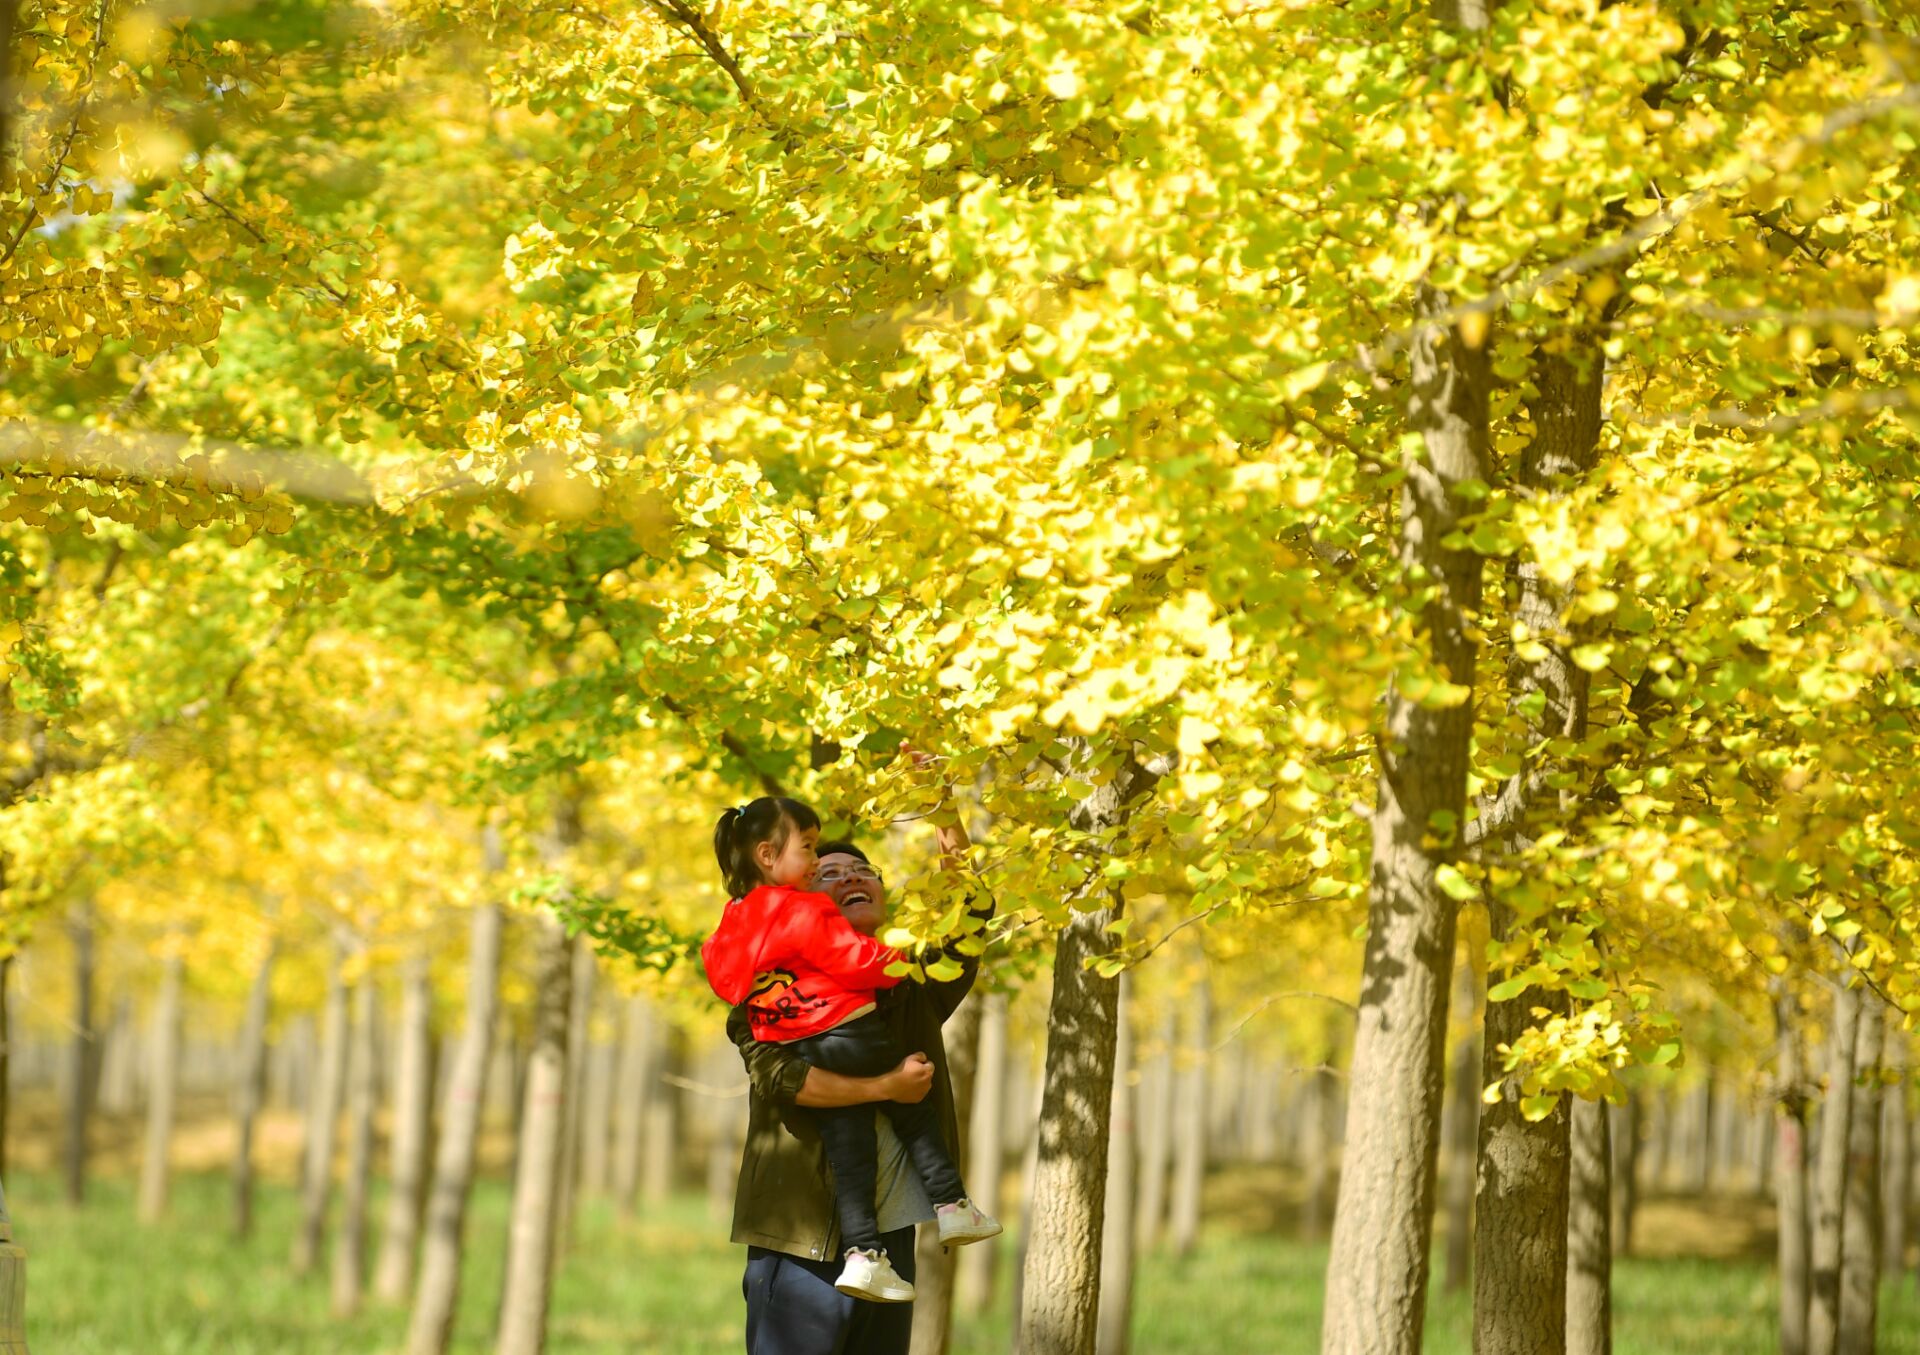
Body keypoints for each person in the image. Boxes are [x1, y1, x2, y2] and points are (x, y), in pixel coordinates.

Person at [701, 795, 999, 1305]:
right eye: (829, 870)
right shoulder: (766, 997)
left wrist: (942, 809)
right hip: (801, 1235)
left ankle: (949, 1208)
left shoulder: (910, 981)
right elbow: (783, 1079)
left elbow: (968, 908)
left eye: (865, 870)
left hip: (893, 1234)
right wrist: (886, 1087)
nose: (852, 877)